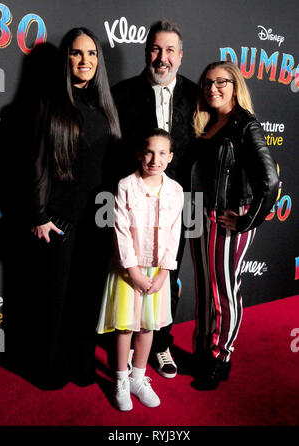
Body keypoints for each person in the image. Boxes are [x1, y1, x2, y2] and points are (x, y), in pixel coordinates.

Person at [3, 27, 121, 390]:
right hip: (60, 219)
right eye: (76, 53)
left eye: (91, 54)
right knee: (53, 299)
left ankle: (81, 361)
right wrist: (39, 215)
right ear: (66, 59)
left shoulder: (105, 104)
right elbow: (34, 162)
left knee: (86, 298)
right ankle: (47, 365)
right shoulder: (48, 101)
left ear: (98, 62)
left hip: (99, 220)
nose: (84, 61)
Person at [112, 18, 197, 378]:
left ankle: (160, 344)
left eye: (169, 50)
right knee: (127, 269)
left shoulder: (198, 94)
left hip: (178, 201)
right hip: (133, 200)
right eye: (155, 49)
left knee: (167, 271)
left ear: (180, 55)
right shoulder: (123, 92)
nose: (162, 57)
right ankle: (124, 348)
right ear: (147, 52)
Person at [190, 61, 279, 390]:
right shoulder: (208, 122)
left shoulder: (245, 125)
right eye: (207, 83)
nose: (212, 88)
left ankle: (221, 357)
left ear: (235, 84)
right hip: (198, 214)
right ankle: (202, 351)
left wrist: (246, 220)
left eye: (221, 82)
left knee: (224, 293)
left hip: (227, 216)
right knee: (203, 290)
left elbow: (269, 182)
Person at [96, 128, 184, 411]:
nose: (154, 159)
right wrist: (133, 271)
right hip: (128, 268)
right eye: (148, 152)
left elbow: (174, 234)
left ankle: (138, 377)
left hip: (158, 270)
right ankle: (121, 378)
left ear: (170, 158)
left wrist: (163, 273)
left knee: (147, 325)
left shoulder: (175, 190)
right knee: (125, 325)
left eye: (161, 153)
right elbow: (120, 230)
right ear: (139, 154)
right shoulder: (126, 186)